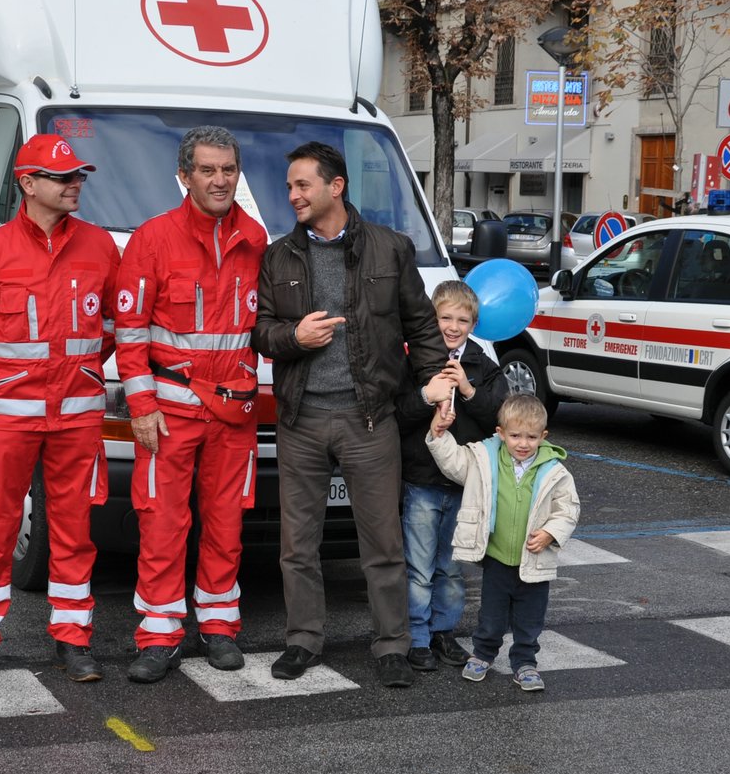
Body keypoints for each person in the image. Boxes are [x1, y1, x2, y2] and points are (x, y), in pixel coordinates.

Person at [251, 141, 449, 689]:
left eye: (301, 185)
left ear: (335, 186)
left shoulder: (391, 249)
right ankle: (303, 640)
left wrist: (438, 387)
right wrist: (294, 336)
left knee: (382, 542)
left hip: (368, 418)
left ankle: (391, 644)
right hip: (301, 420)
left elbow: (421, 326)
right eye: (290, 186)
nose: (292, 195)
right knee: (298, 544)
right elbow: (262, 333)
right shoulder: (279, 256)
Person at [0, 133, 119, 687]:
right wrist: (2, 375)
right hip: (9, 416)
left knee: (74, 530)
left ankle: (73, 639)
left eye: (77, 176)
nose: (74, 185)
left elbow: (111, 327)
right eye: (62, 177)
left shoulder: (100, 247)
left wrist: (80, 373)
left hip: (77, 416)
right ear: (28, 184)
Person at [114, 126, 267, 683]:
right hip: (169, 413)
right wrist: (141, 406)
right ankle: (158, 635)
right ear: (185, 176)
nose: (220, 179)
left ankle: (220, 627)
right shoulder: (152, 239)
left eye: (228, 169)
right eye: (208, 170)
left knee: (227, 523)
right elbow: (129, 331)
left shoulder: (255, 239)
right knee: (162, 524)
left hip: (234, 414)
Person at [426, 392, 580, 693]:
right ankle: (483, 654)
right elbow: (455, 463)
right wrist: (438, 434)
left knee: (530, 618)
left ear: (543, 436)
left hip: (534, 561)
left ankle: (525, 663)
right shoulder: (485, 459)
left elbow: (569, 509)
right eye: (515, 436)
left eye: (532, 437)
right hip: (497, 557)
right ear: (500, 433)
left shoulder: (555, 471)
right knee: (491, 615)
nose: (523, 443)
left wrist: (550, 532)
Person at [394, 280, 507, 671]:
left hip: (464, 484)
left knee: (452, 568)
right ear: (432, 319)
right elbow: (399, 413)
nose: (453, 326)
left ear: (473, 324)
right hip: (422, 480)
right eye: (445, 317)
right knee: (420, 567)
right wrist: (427, 394)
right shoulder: (413, 359)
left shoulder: (481, 365)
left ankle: (445, 631)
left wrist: (469, 390)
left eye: (462, 319)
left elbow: (500, 417)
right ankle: (418, 637)